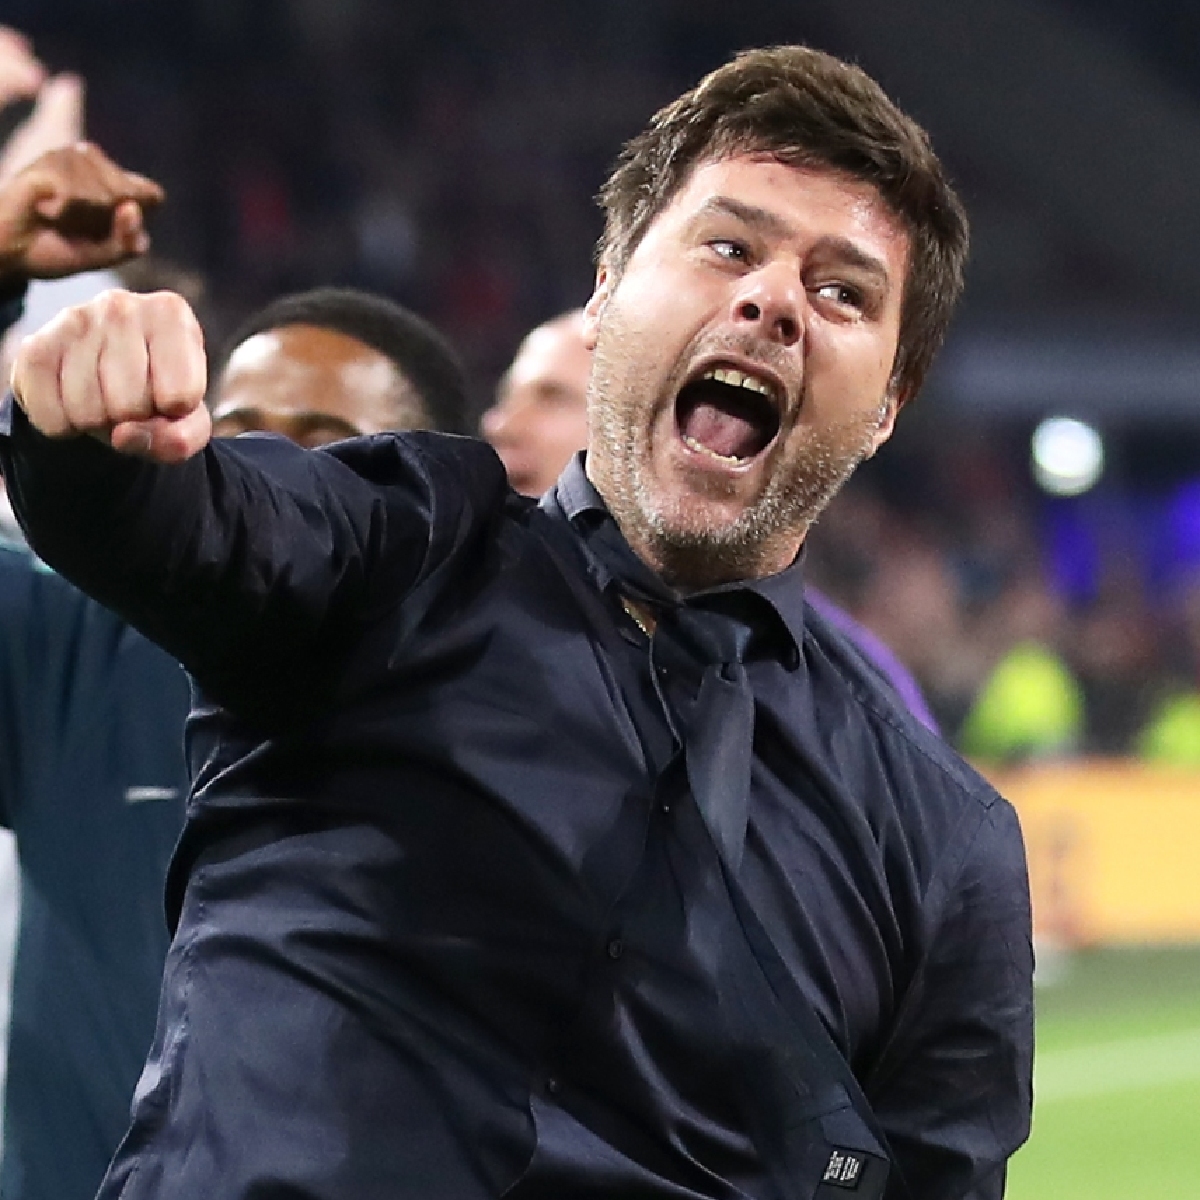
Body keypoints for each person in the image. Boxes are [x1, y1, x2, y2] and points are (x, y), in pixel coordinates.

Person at [2, 45, 1033, 1200]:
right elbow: (187, 521)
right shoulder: (399, 550)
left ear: (889, 405)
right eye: (729, 247)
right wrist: (82, 440)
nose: (774, 302)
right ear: (605, 290)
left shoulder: (940, 845)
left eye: (844, 292)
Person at [0, 138, 470, 1200]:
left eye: (328, 452)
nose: (268, 481)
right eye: (240, 437)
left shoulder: (507, 713)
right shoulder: (77, 645)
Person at [485, 308, 939, 729]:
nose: (501, 425)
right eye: (507, 398)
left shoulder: (848, 687)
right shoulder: (457, 592)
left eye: (552, 398)